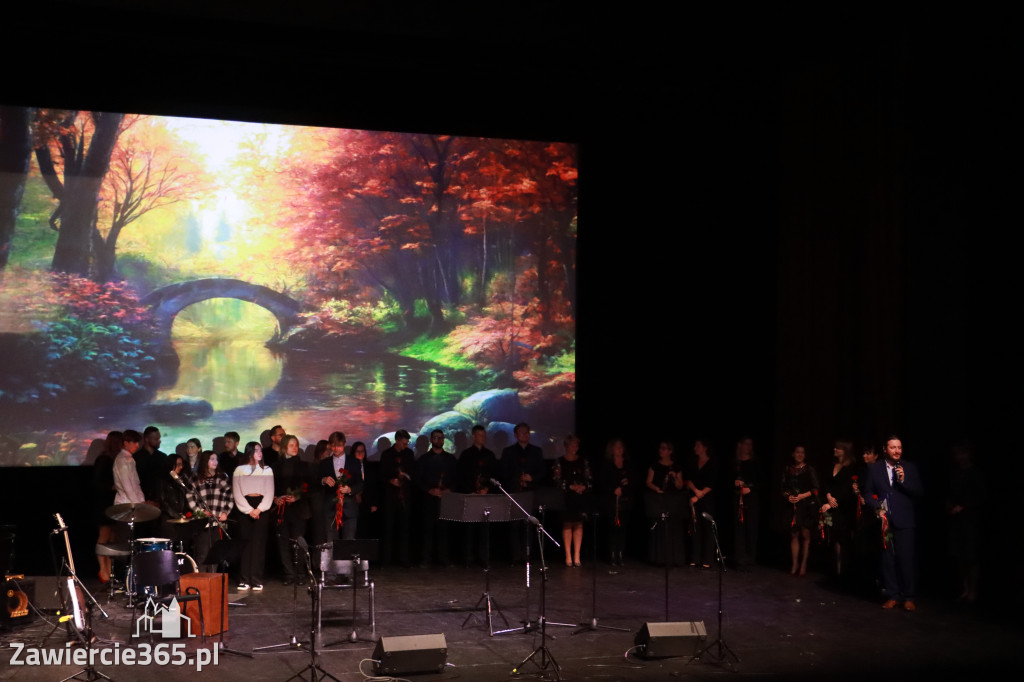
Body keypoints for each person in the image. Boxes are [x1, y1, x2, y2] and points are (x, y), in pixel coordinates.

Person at [864, 435, 923, 610]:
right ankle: (893, 595)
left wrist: (903, 481)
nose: (897, 451)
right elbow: (867, 493)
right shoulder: (874, 469)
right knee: (887, 559)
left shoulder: (909, 468)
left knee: (906, 559)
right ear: (885, 449)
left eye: (899, 447)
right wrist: (877, 507)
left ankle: (909, 596)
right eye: (893, 447)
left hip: (905, 520)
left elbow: (919, 492)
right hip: (885, 520)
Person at [500, 422, 547, 563]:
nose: (524, 435)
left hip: (531, 493)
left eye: (527, 432)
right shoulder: (508, 452)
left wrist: (531, 477)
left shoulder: (536, 451)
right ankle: (515, 557)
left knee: (529, 524)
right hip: (515, 492)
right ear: (515, 435)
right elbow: (503, 472)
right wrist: (517, 478)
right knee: (515, 526)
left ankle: (527, 556)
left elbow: (543, 471)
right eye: (521, 432)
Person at [233, 442, 274, 592]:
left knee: (259, 544)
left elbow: (270, 492)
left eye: (261, 450)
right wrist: (249, 510)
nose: (260, 452)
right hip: (245, 507)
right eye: (256, 450)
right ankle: (244, 579)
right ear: (249, 452)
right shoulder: (239, 470)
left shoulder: (267, 470)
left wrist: (259, 509)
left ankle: (256, 579)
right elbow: (237, 492)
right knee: (245, 544)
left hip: (261, 507)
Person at [273, 434, 314, 585]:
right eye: (291, 445)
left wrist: (297, 497)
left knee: (298, 542)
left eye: (296, 444)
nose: (295, 447)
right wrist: (275, 498)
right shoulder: (275, 466)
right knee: (282, 542)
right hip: (282, 510)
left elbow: (310, 488)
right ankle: (289, 575)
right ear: (284, 447)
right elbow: (271, 488)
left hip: (299, 509)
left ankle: (300, 574)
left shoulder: (304, 466)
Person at [947, 443, 984, 604]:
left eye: (963, 453)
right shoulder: (955, 473)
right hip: (956, 519)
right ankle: (965, 588)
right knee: (959, 555)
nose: (959, 457)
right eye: (957, 453)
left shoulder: (975, 473)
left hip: (970, 518)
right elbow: (949, 492)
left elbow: (982, 496)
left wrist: (964, 506)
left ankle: (973, 589)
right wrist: (949, 505)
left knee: (971, 555)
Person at [415, 429, 458, 566]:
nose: (439, 440)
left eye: (441, 438)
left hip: (445, 499)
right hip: (428, 499)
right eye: (436, 438)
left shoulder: (451, 459)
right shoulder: (424, 459)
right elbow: (418, 479)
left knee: (444, 529)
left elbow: (457, 478)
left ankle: (444, 559)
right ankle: (425, 559)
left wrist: (449, 489)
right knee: (427, 529)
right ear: (431, 440)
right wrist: (429, 490)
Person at [457, 425, 497, 566]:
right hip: (471, 496)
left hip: (485, 496)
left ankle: (484, 558)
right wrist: (471, 491)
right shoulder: (466, 455)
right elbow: (461, 476)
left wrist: (487, 489)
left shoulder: (490, 455)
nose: (483, 437)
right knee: (469, 529)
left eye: (484, 435)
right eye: (480, 435)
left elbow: (494, 475)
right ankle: (468, 558)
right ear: (474, 436)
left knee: (484, 529)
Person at [190, 450, 233, 575]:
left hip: (217, 522)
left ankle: (213, 581)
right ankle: (201, 583)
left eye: (216, 459)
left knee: (215, 555)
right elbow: (190, 498)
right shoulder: (195, 478)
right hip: (202, 523)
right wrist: (200, 512)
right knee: (202, 554)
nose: (216, 462)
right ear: (205, 461)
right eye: (212, 459)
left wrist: (225, 512)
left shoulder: (222, 477)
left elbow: (229, 497)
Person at [552, 435, 592, 567]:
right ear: (566, 446)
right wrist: (570, 486)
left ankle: (577, 555)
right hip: (566, 497)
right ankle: (568, 555)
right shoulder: (560, 461)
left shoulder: (583, 461)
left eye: (577, 445)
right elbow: (557, 480)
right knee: (568, 524)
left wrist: (583, 487)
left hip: (580, 497)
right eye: (572, 445)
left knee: (579, 524)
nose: (575, 448)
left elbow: (588, 478)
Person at [820, 440, 857, 582]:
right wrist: (828, 497)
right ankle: (835, 571)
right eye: (835, 447)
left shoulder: (850, 468)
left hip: (843, 509)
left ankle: (843, 572)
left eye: (839, 448)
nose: (835, 450)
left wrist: (833, 502)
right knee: (833, 539)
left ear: (845, 450)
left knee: (843, 540)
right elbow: (826, 484)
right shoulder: (832, 465)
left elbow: (847, 490)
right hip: (831, 505)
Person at [645, 440, 685, 566]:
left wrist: (675, 476)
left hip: (673, 501)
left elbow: (680, 486)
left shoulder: (676, 467)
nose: (661, 450)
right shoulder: (654, 466)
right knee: (660, 527)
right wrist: (656, 489)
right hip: (659, 500)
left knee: (673, 528)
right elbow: (648, 481)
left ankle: (674, 558)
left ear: (670, 451)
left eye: (664, 448)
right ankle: (659, 558)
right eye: (660, 448)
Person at [378, 429, 415, 566]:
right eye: (404, 443)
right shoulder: (387, 455)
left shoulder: (409, 454)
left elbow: (412, 472)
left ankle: (403, 558)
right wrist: (391, 480)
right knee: (388, 528)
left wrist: (405, 479)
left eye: (407, 443)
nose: (406, 446)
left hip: (405, 496)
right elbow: (381, 474)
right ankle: (386, 559)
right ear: (397, 441)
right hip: (390, 497)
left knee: (404, 528)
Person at [318, 432, 363, 542]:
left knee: (348, 542)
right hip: (330, 508)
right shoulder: (324, 463)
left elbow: (360, 484)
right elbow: (315, 482)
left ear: (344, 444)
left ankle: (346, 560)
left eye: (339, 445)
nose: (336, 449)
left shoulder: (354, 461)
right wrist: (323, 480)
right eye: (333, 446)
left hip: (349, 507)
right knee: (331, 543)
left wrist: (350, 489)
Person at [781, 445, 818, 577]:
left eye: (802, 452)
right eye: (797, 452)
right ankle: (794, 563)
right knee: (794, 535)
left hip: (806, 506)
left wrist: (802, 495)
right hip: (792, 506)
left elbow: (816, 489)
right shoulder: (787, 469)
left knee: (805, 535)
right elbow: (783, 488)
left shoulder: (809, 469)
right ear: (793, 454)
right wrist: (788, 496)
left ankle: (803, 564)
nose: (800, 454)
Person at [93, 431, 122, 583]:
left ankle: (109, 570)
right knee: (104, 537)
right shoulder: (104, 459)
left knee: (112, 538)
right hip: (103, 504)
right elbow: (97, 483)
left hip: (113, 503)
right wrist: (112, 487)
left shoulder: (115, 459)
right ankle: (103, 570)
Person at [601, 438, 634, 567]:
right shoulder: (607, 464)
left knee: (623, 528)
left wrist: (625, 487)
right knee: (613, 528)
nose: (619, 449)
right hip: (611, 501)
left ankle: (621, 554)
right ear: (612, 449)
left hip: (625, 501)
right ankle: (612, 555)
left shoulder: (628, 464)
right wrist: (613, 490)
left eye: (621, 447)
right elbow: (603, 483)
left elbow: (634, 480)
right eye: (617, 447)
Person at [732, 436, 762, 570]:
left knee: (751, 528)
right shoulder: (736, 463)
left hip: (751, 498)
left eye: (751, 444)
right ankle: (740, 559)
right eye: (746, 444)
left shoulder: (755, 463)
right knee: (739, 529)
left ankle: (751, 559)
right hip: (738, 499)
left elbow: (761, 481)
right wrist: (735, 483)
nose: (749, 447)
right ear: (740, 445)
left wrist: (751, 488)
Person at [686, 438, 716, 568]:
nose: (695, 448)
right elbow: (688, 479)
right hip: (694, 497)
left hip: (707, 499)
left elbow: (712, 483)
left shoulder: (712, 463)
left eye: (698, 445)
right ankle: (695, 557)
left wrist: (700, 495)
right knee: (695, 528)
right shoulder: (693, 462)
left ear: (705, 447)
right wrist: (695, 491)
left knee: (708, 529)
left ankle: (708, 559)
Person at [157, 453, 195, 554]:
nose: (181, 467)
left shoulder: (182, 480)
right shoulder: (163, 481)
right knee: (170, 546)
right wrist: (176, 515)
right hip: (169, 520)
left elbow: (187, 497)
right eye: (178, 464)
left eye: (181, 464)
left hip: (182, 519)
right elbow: (163, 502)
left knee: (184, 547)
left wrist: (187, 513)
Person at [113, 429, 147, 505]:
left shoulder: (129, 459)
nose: (137, 445)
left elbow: (136, 483)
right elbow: (127, 485)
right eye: (134, 442)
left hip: (132, 502)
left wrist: (141, 500)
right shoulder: (122, 460)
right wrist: (138, 503)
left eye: (138, 442)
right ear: (125, 443)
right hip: (125, 503)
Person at [136, 426, 167, 501]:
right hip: (142, 499)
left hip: (160, 499)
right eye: (156, 439)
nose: (159, 441)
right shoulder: (136, 458)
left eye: (159, 438)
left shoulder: (163, 457)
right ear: (146, 439)